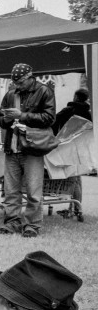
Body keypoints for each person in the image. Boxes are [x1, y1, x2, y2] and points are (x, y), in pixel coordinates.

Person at [0, 63, 56, 238]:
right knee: (11, 191)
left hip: (33, 148)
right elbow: (1, 119)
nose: (16, 86)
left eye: (19, 82)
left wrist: (21, 116)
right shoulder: (11, 94)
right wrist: (7, 119)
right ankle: (12, 223)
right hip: (13, 148)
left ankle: (32, 225)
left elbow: (49, 118)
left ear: (29, 77)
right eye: (15, 82)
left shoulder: (44, 91)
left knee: (34, 191)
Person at [52, 88, 91, 220]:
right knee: (76, 177)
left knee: (73, 177)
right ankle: (75, 209)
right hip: (82, 149)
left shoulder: (68, 111)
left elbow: (53, 123)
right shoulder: (89, 114)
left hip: (66, 148)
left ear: (75, 97)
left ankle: (76, 209)